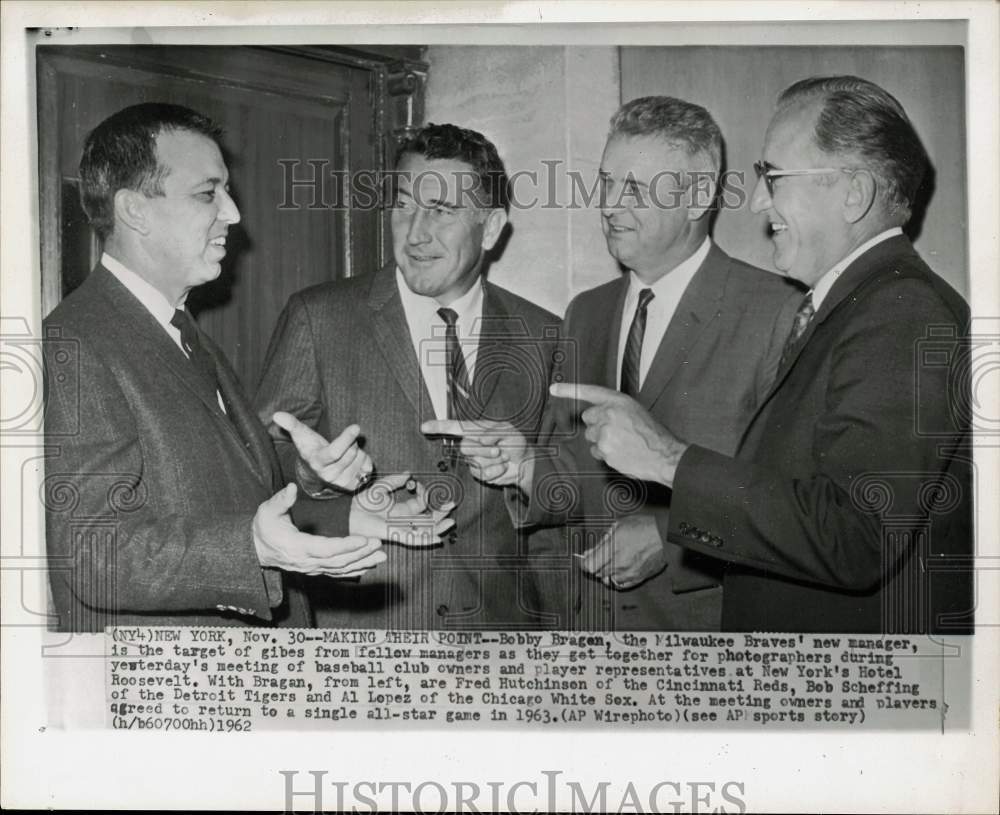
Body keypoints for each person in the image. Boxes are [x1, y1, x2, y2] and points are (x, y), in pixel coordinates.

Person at [551, 76, 973, 634]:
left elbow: (856, 535)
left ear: (855, 194)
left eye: (773, 178)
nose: (755, 201)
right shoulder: (853, 305)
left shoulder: (900, 309)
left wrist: (667, 459)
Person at [44, 103, 447, 632]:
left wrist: (337, 507)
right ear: (134, 210)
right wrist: (252, 548)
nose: (233, 213)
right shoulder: (75, 341)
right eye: (207, 193)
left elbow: (226, 501)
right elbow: (92, 552)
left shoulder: (182, 333)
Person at [427, 96, 801, 630]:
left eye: (634, 189)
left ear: (697, 198)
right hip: (585, 639)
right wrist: (526, 468)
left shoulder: (777, 311)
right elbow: (579, 479)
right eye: (605, 183)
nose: (608, 204)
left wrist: (673, 541)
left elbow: (793, 505)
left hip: (704, 647)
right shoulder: (587, 311)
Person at [255, 123, 562, 630]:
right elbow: (258, 467)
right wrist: (315, 477)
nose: (416, 232)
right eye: (403, 205)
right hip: (362, 646)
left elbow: (563, 505)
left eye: (441, 211)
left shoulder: (545, 336)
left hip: (502, 647)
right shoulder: (319, 317)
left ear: (490, 227)